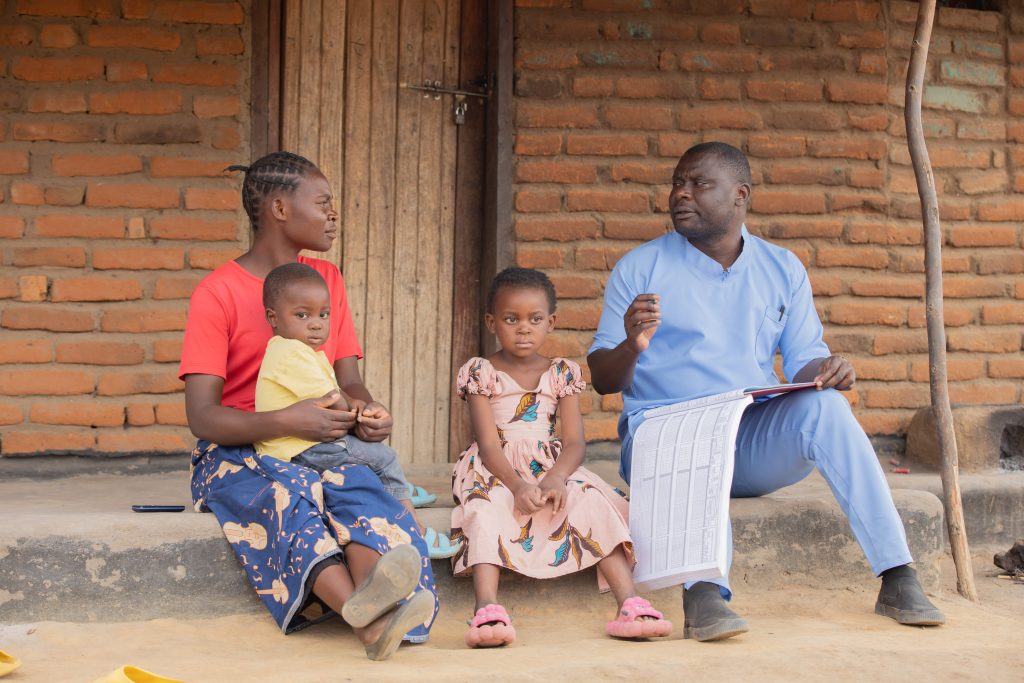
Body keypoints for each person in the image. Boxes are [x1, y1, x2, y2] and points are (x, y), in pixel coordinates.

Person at [588, 141, 945, 642]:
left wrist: (831, 368)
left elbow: (804, 359)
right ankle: (705, 596)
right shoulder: (639, 268)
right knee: (688, 431)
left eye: (697, 184)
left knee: (826, 407)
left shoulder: (782, 268)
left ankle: (897, 575)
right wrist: (631, 342)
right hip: (665, 436)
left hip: (747, 438)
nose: (680, 194)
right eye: (677, 183)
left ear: (740, 195)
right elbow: (604, 380)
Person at [180, 151, 436, 661]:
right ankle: (367, 619)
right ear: (279, 208)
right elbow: (202, 416)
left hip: (322, 441)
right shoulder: (218, 293)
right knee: (291, 501)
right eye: (323, 203)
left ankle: (378, 610)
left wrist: (367, 414)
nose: (333, 215)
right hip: (237, 451)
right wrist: (285, 420)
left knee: (363, 492)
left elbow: (349, 380)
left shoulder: (325, 282)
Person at [451, 267, 673, 648]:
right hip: (495, 467)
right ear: (491, 322)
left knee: (589, 502)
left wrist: (554, 479)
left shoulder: (562, 373)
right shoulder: (480, 372)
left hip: (550, 464)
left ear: (550, 322)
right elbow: (487, 444)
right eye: (511, 319)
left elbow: (574, 443)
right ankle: (486, 608)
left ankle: (630, 603)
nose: (523, 328)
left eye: (535, 319)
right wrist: (518, 485)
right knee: (486, 509)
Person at [253, 261, 459, 559]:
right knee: (385, 458)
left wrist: (358, 408)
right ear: (273, 317)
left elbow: (337, 396)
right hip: (300, 450)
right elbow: (334, 402)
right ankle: (414, 530)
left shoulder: (304, 352)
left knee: (369, 457)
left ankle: (395, 488)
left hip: (303, 445)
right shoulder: (289, 352)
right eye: (302, 315)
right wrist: (362, 411)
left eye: (323, 314)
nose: (316, 323)